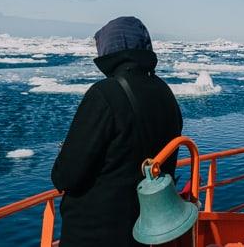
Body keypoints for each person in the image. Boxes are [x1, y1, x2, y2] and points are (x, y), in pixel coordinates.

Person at [50, 16, 183, 247]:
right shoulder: (165, 92)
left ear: (108, 48)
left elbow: (67, 176)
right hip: (147, 230)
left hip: (97, 234)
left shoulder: (105, 94)